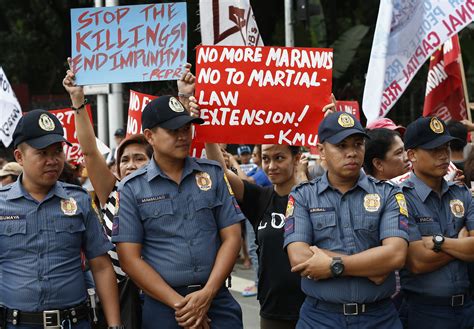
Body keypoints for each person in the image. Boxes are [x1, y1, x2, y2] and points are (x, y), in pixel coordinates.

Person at [197, 95, 336, 329]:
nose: (271, 166)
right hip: (273, 311)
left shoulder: (318, 196)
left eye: (279, 158)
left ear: (297, 158)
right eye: (265, 158)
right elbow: (220, 172)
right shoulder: (259, 198)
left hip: (318, 309)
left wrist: (331, 125)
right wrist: (207, 128)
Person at [113, 96, 244, 329]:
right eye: (173, 131)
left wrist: (208, 294)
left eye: (186, 129)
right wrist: (183, 306)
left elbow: (232, 236)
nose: (183, 136)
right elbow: (129, 259)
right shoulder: (132, 188)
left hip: (217, 300)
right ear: (150, 136)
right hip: (164, 307)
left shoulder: (212, 174)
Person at [285, 112, 408, 329]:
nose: (351, 152)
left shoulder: (389, 194)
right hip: (320, 318)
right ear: (321, 150)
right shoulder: (303, 195)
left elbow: (395, 255)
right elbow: (299, 257)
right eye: (341, 145)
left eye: (358, 144)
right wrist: (373, 266)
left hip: (379, 317)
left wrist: (332, 264)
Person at [0, 110, 121, 329]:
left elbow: (101, 266)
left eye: (58, 151)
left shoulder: (80, 200)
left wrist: (115, 325)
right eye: (42, 153)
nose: (52, 160)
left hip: (73, 322)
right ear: (19, 157)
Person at [398, 116, 474, 329]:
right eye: (434, 150)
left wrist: (439, 242)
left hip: (467, 309)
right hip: (425, 312)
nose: (443, 155)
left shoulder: (461, 193)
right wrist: (461, 242)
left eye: (446, 147)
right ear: (412, 155)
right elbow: (417, 261)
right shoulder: (401, 198)